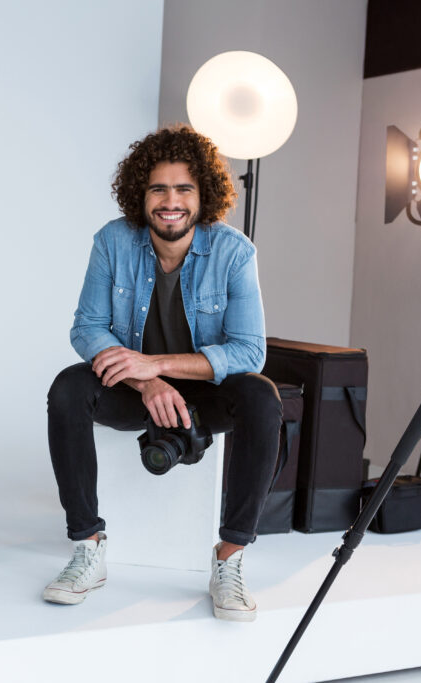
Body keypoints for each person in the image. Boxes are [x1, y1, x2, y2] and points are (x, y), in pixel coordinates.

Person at [42, 125, 282, 621]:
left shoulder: (235, 252)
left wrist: (160, 365)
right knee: (68, 387)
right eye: (158, 188)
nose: (170, 201)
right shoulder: (113, 241)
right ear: (140, 193)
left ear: (203, 196)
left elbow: (249, 352)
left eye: (183, 189)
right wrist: (145, 380)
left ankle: (230, 558)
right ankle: (88, 547)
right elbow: (87, 329)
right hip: (135, 390)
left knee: (260, 395)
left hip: (205, 393)